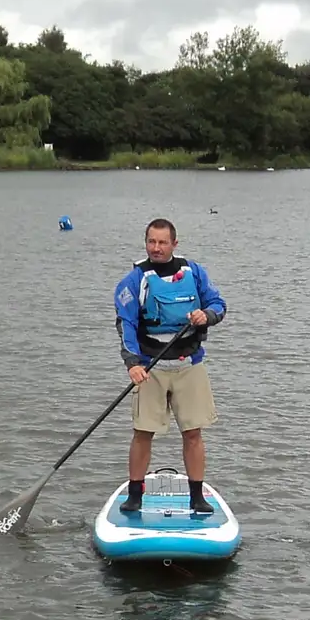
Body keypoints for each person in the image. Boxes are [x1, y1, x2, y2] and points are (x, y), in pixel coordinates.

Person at [114, 218, 226, 515]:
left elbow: (219, 304)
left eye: (163, 242)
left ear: (174, 244)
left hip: (189, 364)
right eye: (151, 241)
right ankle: (135, 494)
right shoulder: (134, 281)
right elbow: (125, 324)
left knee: (193, 433)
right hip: (150, 367)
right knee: (142, 432)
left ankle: (196, 496)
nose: (156, 248)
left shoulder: (194, 272)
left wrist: (207, 315)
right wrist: (133, 364)